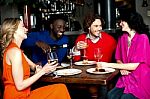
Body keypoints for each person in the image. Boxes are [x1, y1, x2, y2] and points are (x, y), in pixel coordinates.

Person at [1, 18, 71, 99]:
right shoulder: (15, 52)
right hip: (17, 97)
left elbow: (34, 66)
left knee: (60, 88)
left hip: (25, 94)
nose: (26, 29)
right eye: (23, 27)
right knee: (60, 91)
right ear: (14, 31)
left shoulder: (18, 51)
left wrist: (39, 69)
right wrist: (43, 71)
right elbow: (20, 86)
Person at [98, 11, 150, 99]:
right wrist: (121, 67)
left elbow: (135, 66)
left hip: (140, 79)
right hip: (126, 78)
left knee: (125, 98)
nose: (120, 23)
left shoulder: (142, 38)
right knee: (110, 96)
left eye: (123, 21)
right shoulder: (122, 38)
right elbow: (118, 58)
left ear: (130, 22)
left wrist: (106, 64)